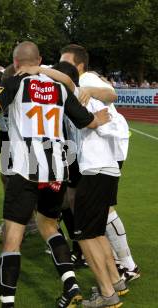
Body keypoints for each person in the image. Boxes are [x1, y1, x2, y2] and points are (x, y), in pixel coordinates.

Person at [0, 41, 111, 308]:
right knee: (49, 226)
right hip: (56, 172)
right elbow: (90, 121)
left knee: (12, 240)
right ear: (39, 60)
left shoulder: (16, 82)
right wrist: (104, 118)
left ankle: (8, 304)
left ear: (15, 63)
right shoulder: (60, 88)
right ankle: (71, 285)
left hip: (25, 171)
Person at [60, 44, 140, 283]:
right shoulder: (71, 84)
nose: (62, 67)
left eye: (67, 62)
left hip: (104, 153)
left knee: (103, 210)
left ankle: (127, 264)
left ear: (80, 65)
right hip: (83, 153)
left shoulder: (88, 78)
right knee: (74, 200)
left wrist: (90, 89)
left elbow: (111, 94)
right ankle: (100, 254)